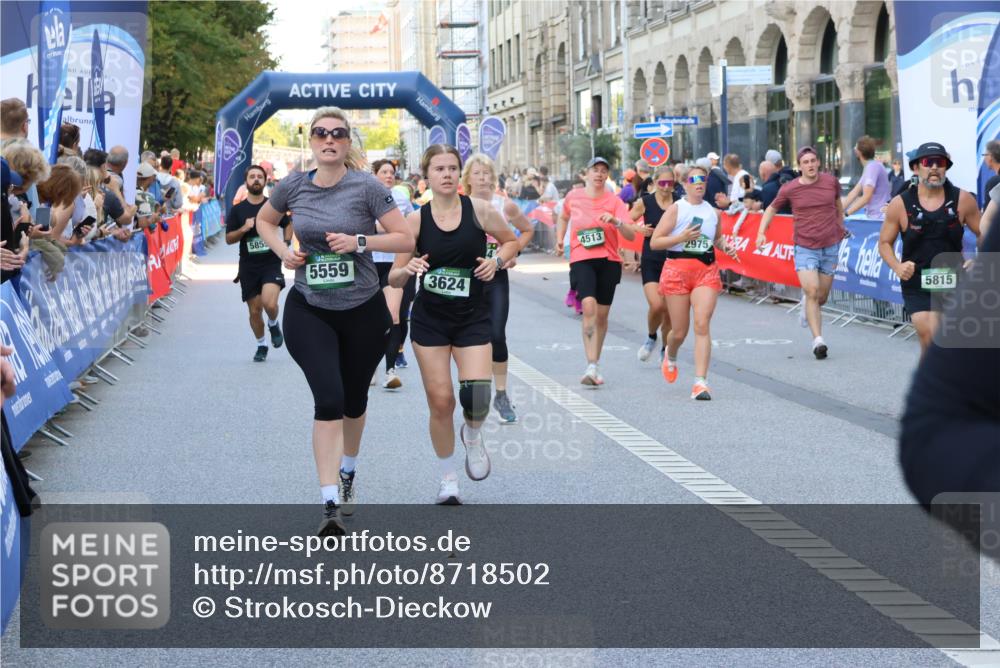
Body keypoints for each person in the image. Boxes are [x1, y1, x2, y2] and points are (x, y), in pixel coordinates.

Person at [253, 107, 414, 535]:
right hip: (309, 307)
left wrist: (360, 240)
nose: (329, 140)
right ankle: (328, 503)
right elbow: (264, 221)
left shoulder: (366, 186)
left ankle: (348, 473)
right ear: (310, 140)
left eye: (338, 134)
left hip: (362, 308)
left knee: (355, 400)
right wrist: (283, 252)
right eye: (321, 133)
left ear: (348, 142)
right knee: (328, 399)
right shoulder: (292, 186)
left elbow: (405, 238)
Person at [389, 145, 518, 505]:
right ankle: (448, 479)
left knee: (477, 396)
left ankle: (473, 436)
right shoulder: (414, 221)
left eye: (451, 168)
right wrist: (407, 269)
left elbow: (511, 242)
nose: (445, 174)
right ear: (426, 175)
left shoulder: (480, 211)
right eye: (438, 169)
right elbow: (395, 277)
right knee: (442, 402)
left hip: (472, 317)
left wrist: (498, 262)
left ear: (458, 174)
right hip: (430, 322)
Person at [878, 142, 980, 352]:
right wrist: (897, 266)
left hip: (953, 280)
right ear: (916, 168)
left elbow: (985, 233)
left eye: (940, 163)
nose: (934, 167)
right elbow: (884, 243)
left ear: (945, 168)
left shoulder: (963, 200)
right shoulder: (900, 203)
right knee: (931, 335)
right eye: (928, 162)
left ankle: (935, 381)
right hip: (918, 283)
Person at [650, 165, 739, 400]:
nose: (699, 183)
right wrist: (681, 237)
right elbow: (655, 242)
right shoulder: (676, 209)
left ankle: (700, 382)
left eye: (703, 179)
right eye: (694, 179)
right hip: (677, 270)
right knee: (679, 331)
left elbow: (716, 239)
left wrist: (725, 246)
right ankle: (671, 353)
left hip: (705, 272)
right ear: (685, 183)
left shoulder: (713, 212)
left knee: (702, 323)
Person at [462, 152, 535, 423]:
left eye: (487, 173)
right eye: (477, 173)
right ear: (467, 178)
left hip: (496, 277)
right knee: (469, 335)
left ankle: (501, 394)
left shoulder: (505, 206)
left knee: (496, 334)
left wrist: (510, 254)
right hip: (467, 278)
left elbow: (525, 231)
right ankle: (473, 390)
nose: (483, 178)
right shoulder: (459, 205)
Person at [555, 156, 638, 386]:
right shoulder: (574, 196)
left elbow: (630, 234)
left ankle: (596, 362)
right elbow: (563, 216)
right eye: (595, 170)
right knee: (589, 307)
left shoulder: (614, 201)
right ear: (587, 174)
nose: (599, 174)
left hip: (609, 260)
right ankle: (590, 365)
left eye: (603, 171)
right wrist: (559, 239)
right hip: (582, 257)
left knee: (601, 315)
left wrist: (616, 222)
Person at [756, 146, 845, 360]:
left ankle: (807, 302)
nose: (811, 165)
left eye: (813, 160)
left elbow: (838, 206)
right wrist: (761, 232)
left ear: (819, 162)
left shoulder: (830, 182)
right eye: (806, 162)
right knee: (813, 290)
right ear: (800, 166)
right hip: (805, 246)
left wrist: (840, 227)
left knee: (821, 296)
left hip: (830, 245)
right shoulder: (791, 188)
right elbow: (771, 209)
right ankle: (818, 341)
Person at [225, 165, 292, 362]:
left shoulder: (273, 205)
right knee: (254, 310)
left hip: (271, 263)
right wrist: (244, 229)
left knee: (269, 303)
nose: (256, 180)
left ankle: (273, 322)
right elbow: (229, 238)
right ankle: (261, 344)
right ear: (246, 182)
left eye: (259, 177)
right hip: (248, 266)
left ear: (265, 181)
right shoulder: (238, 210)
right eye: (252, 176)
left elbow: (288, 225)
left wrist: (286, 244)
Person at [370, 158, 414, 389]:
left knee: (394, 316)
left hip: (394, 263)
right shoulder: (365, 195)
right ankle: (370, 368)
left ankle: (390, 371)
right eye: (384, 172)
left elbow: (408, 229)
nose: (388, 175)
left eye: (392, 172)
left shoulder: (402, 198)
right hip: (368, 263)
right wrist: (388, 227)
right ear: (374, 174)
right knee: (369, 320)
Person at [630, 165, 675, 364]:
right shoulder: (645, 202)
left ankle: (665, 350)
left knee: (669, 312)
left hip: (674, 261)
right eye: (662, 183)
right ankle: (651, 337)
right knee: (656, 305)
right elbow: (626, 221)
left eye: (670, 183)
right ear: (655, 183)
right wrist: (640, 230)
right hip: (651, 259)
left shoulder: (679, 203)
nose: (666, 187)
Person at [842, 135, 891, 219]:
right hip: (876, 217)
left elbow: (866, 197)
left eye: (855, 147)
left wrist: (846, 214)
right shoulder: (871, 166)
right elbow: (853, 193)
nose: (854, 149)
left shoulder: (872, 167)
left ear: (858, 152)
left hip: (879, 218)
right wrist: (838, 211)